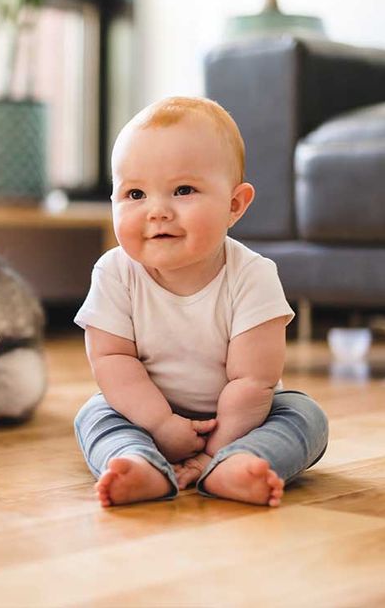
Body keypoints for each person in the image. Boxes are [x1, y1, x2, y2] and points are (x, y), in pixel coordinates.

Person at [73, 96, 328, 507]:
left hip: (244, 418)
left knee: (305, 416)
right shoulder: (114, 272)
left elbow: (252, 381)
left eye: (183, 190)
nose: (157, 211)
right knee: (95, 414)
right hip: (143, 411)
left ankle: (237, 462)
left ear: (234, 205)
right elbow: (111, 360)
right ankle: (137, 463)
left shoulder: (253, 275)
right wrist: (159, 423)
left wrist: (213, 449)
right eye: (135, 194)